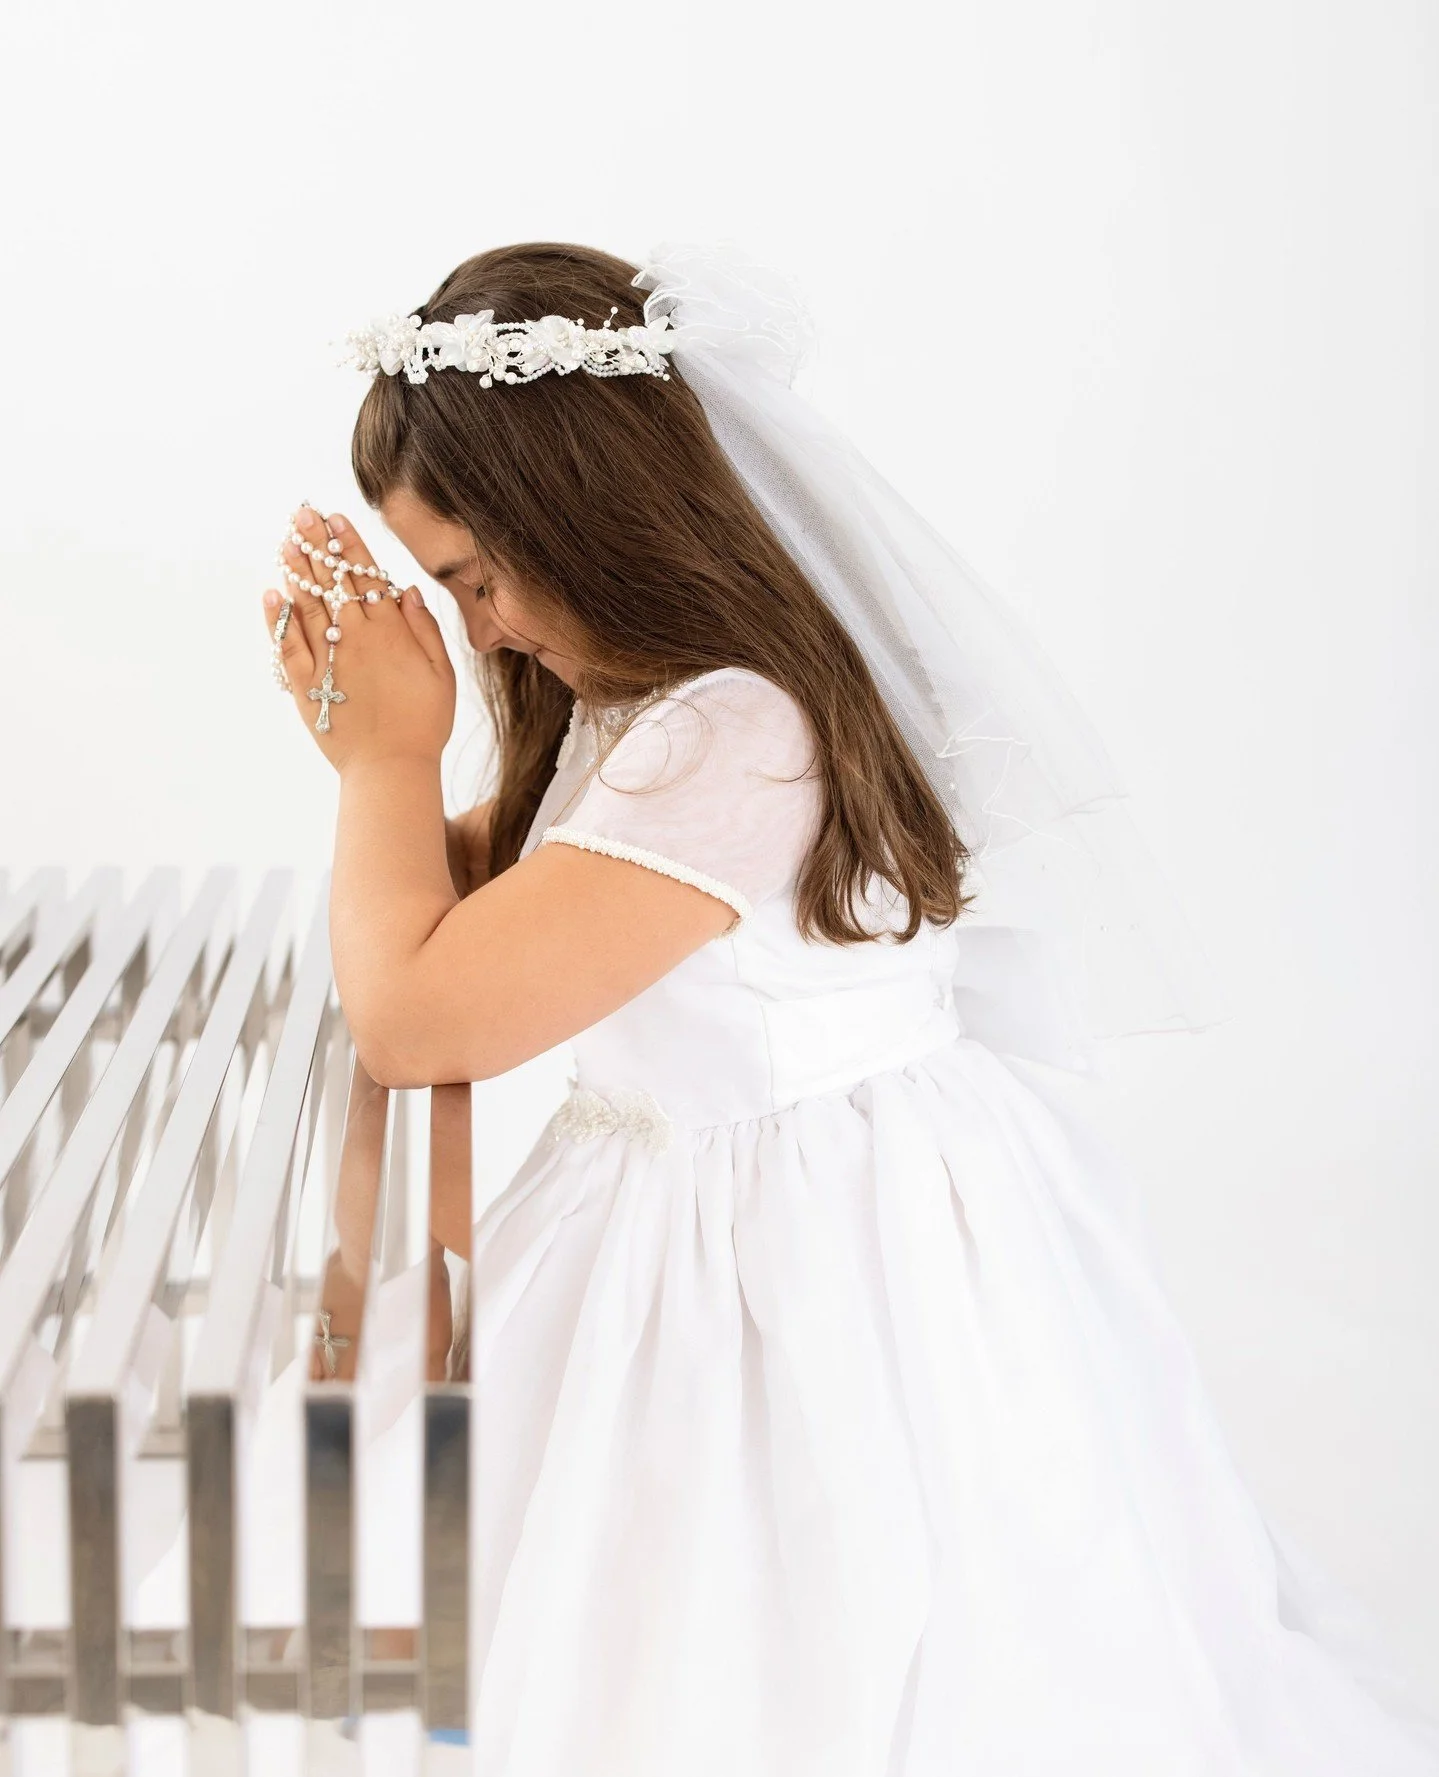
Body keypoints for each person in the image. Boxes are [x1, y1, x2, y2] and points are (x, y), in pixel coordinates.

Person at [263, 240, 1439, 1774]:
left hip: (798, 1228)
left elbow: (420, 1019)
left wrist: (383, 763)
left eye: (475, 578)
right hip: (672, 1187)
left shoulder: (737, 734)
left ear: (585, 516)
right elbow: (473, 902)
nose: (474, 628)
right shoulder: (641, 703)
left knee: (821, 1592)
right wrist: (393, 757)